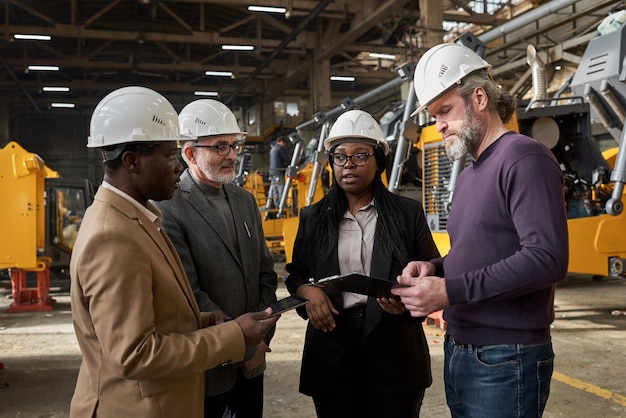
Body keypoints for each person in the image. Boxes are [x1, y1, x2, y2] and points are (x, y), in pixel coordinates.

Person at [69, 86, 279, 418]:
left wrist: (210, 320)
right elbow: (136, 354)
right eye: (170, 155)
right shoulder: (113, 236)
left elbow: (165, 309)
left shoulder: (136, 220)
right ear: (132, 161)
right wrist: (235, 336)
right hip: (137, 404)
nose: (177, 167)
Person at [392, 43, 569, 418]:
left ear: (479, 97)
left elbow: (547, 258)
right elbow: (480, 247)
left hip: (506, 358)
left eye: (445, 111)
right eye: (433, 114)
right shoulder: (471, 173)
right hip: (463, 349)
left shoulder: (524, 158)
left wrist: (450, 290)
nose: (438, 125)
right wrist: (436, 269)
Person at [285, 109, 440, 418]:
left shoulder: (406, 214)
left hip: (394, 346)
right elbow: (296, 274)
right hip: (331, 344)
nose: (348, 165)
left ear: (379, 161)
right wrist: (307, 292)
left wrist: (407, 305)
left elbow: (431, 270)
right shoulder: (313, 218)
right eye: (340, 157)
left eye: (360, 155)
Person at [153, 98, 278, 418]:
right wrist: (241, 344)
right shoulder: (169, 206)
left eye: (234, 146)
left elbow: (265, 271)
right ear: (190, 152)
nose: (232, 155)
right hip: (208, 369)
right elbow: (188, 294)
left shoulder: (245, 200)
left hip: (253, 364)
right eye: (220, 147)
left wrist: (261, 335)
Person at [265, 135, 291, 210]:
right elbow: (286, 158)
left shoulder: (272, 149)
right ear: (281, 142)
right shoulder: (280, 148)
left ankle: (276, 205)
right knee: (281, 188)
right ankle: (282, 205)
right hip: (278, 171)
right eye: (284, 143)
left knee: (274, 189)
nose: (284, 145)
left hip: (272, 172)